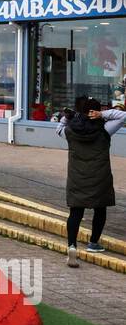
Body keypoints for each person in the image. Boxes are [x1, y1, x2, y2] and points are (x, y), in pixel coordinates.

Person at [57, 96, 126, 266]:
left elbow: (59, 127)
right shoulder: (105, 129)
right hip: (99, 177)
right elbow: (123, 116)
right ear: (96, 111)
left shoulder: (70, 131)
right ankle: (93, 243)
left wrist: (69, 116)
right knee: (100, 209)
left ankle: (72, 245)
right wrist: (103, 114)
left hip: (76, 177)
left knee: (75, 212)